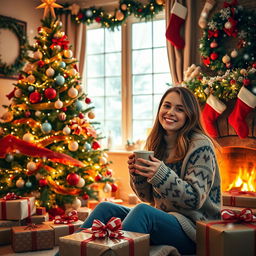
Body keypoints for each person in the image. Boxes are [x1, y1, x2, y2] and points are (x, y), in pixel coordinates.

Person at [59, 86, 221, 255]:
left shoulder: (201, 145)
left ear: (190, 115)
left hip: (195, 230)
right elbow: (148, 198)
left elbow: (194, 200)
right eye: (166, 106)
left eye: (179, 109)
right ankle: (69, 252)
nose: (170, 112)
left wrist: (161, 174)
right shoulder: (158, 144)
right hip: (167, 219)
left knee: (142, 212)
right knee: (106, 208)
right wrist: (138, 175)